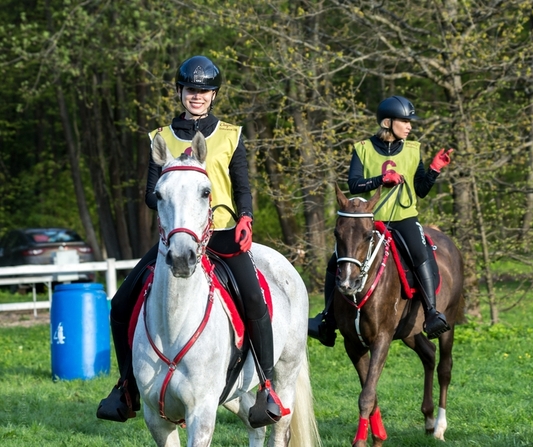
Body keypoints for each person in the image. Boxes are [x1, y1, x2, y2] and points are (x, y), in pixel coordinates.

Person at [97, 55, 284, 427]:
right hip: (177, 237)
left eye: (203, 91)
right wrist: (176, 186)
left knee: (254, 300)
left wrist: (246, 217)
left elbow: (243, 186)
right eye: (189, 90)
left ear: (213, 95)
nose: (195, 97)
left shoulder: (230, 134)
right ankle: (127, 387)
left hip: (223, 235)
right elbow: (151, 195)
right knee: (120, 304)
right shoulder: (161, 137)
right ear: (179, 92)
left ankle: (265, 387)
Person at [308, 95, 453, 346]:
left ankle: (431, 313)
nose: (409, 126)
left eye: (410, 122)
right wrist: (380, 180)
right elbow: (353, 183)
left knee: (422, 255)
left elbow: (421, 189)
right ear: (388, 122)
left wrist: (434, 169)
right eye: (405, 121)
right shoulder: (362, 148)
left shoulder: (412, 149)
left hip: (404, 218)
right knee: (336, 262)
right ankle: (327, 319)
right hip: (371, 221)